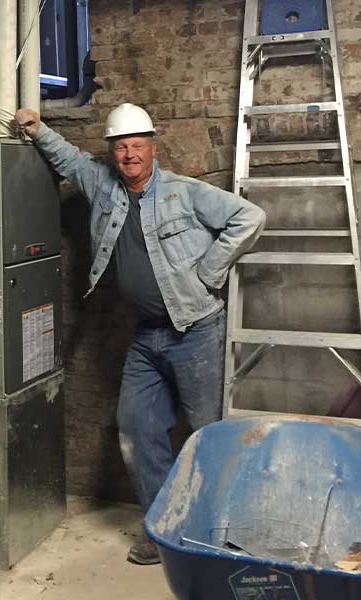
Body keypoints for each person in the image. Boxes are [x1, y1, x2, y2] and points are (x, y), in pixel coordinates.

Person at [15, 103, 266, 565]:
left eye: (137, 145)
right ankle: (163, 529)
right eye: (121, 147)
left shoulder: (184, 192)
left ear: (153, 147)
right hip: (148, 336)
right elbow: (69, 159)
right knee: (136, 427)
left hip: (196, 331)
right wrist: (36, 129)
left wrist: (210, 271)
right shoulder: (103, 184)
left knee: (206, 434)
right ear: (112, 152)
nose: (129, 155)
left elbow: (249, 217)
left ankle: (215, 533)